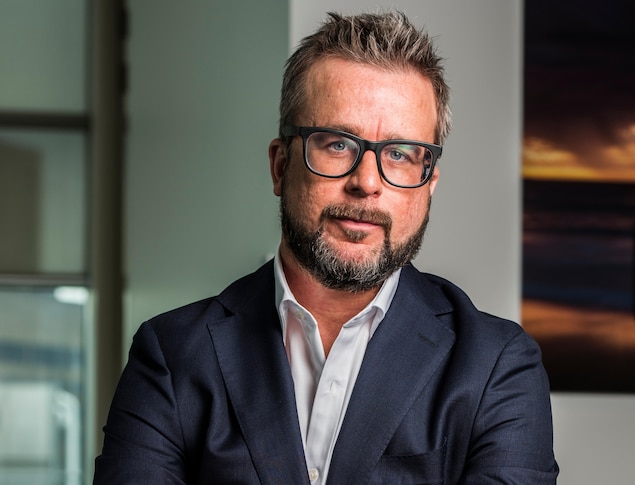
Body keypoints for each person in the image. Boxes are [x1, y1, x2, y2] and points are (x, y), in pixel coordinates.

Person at [94, 10, 558, 484]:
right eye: (337, 144)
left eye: (399, 155)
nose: (366, 183)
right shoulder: (171, 355)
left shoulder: (497, 367)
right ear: (280, 166)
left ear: (429, 184)